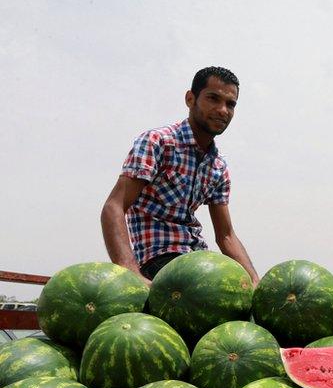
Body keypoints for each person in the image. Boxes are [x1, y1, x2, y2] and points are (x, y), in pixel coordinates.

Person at [100, 66, 260, 285]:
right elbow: (114, 207)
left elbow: (226, 236)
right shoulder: (158, 143)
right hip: (159, 260)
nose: (223, 110)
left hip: (198, 258)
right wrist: (130, 273)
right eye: (213, 98)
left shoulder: (218, 166)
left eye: (230, 104)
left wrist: (254, 281)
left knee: (242, 300)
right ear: (190, 99)